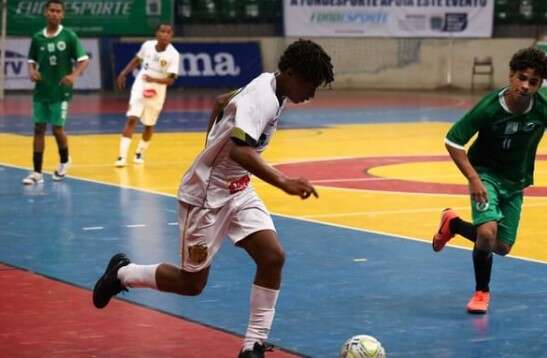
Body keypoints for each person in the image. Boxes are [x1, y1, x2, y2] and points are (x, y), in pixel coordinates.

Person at [93, 39, 334, 357]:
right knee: (191, 284)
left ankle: (253, 345)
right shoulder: (262, 97)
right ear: (290, 72)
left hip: (238, 189)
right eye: (310, 84)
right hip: (206, 197)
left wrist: (209, 147)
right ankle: (122, 273)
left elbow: (220, 101)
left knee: (272, 257)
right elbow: (239, 149)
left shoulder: (273, 85)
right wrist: (284, 182)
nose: (311, 94)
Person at [432, 47, 547, 314]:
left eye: (533, 82)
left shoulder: (541, 108)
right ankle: (481, 292)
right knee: (486, 234)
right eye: (521, 78)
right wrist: (473, 178)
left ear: (540, 84)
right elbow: (453, 140)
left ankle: (454, 224)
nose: (526, 86)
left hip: (516, 182)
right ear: (510, 76)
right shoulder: (489, 107)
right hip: (485, 175)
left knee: (502, 247)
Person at [22, 0, 89, 185]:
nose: (54, 14)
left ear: (62, 15)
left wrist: (74, 75)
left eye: (58, 11)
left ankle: (65, 161)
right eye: (51, 10)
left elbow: (84, 60)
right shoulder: (37, 37)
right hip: (41, 91)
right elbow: (31, 60)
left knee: (57, 130)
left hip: (61, 92)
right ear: (45, 12)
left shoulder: (69, 36)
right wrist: (32, 71)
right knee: (38, 129)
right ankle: (36, 173)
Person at [114, 23, 179, 167]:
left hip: (157, 91)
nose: (165, 35)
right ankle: (121, 157)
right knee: (132, 118)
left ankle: (139, 153)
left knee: (149, 125)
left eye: (168, 32)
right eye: (162, 31)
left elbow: (171, 80)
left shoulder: (174, 55)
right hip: (140, 85)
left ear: (171, 36)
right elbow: (137, 59)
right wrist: (124, 73)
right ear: (157, 33)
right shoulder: (147, 45)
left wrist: (154, 79)